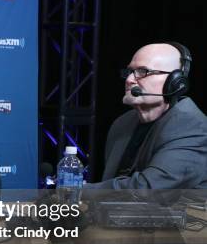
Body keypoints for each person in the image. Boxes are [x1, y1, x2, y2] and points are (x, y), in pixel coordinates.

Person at [86, 42, 207, 189]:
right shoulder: (122, 123)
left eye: (143, 72)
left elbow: (147, 189)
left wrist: (76, 193)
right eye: (130, 71)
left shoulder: (194, 128)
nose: (129, 80)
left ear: (175, 82)